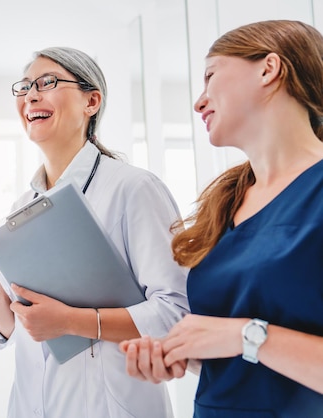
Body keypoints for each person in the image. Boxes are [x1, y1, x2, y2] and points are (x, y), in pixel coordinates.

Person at [0, 46, 189, 418]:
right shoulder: (24, 204)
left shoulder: (133, 189)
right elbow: (17, 326)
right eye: (25, 87)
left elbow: (177, 315)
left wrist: (73, 321)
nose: (31, 95)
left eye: (48, 82)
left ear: (92, 101)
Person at [120, 20, 323, 417]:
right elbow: (239, 354)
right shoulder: (226, 205)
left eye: (210, 75)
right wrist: (179, 353)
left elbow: (245, 340)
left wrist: (247, 336)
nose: (199, 102)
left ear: (269, 68)